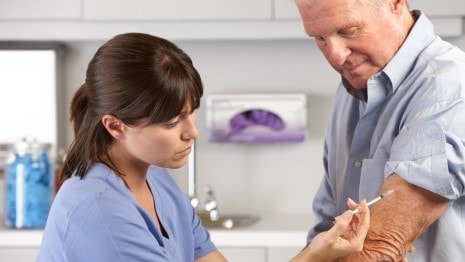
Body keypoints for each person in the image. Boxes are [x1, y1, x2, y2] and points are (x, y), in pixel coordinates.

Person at [36, 32, 370, 262]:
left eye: (191, 113)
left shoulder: (158, 182)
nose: (192, 132)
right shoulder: (100, 212)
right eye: (171, 122)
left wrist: (318, 251)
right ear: (115, 126)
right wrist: (315, 255)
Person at [295, 0, 465, 261]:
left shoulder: (448, 85)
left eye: (349, 30)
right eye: (319, 38)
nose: (336, 56)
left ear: (395, 3)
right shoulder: (349, 91)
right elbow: (328, 231)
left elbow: (379, 247)